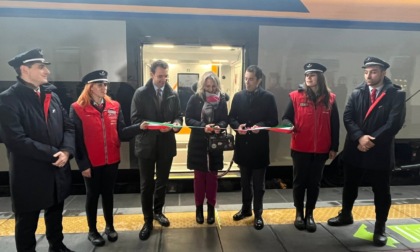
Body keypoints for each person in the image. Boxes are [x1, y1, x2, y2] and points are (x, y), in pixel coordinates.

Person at [0, 48, 75, 252]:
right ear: (25, 69)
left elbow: (68, 126)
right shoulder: (8, 99)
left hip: (56, 169)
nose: (46, 72)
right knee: (27, 222)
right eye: (41, 67)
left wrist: (67, 151)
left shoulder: (52, 95)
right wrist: (54, 154)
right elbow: (16, 140)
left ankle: (56, 246)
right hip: (29, 174)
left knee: (55, 212)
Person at [327, 57, 406, 246]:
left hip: (380, 151)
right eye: (366, 72)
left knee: (381, 190)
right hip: (355, 148)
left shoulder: (396, 94)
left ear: (383, 72)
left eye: (373, 72)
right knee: (350, 184)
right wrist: (360, 137)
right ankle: (346, 214)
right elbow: (348, 117)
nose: (368, 76)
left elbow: (394, 123)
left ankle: (380, 227)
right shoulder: (357, 92)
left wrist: (372, 140)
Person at [69, 70, 141, 247]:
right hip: (91, 162)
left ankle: (110, 226)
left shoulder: (114, 106)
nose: (104, 88)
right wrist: (82, 163)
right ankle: (92, 230)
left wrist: (140, 127)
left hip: (111, 160)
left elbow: (122, 132)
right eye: (100, 85)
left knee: (108, 194)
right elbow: (76, 140)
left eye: (106, 84)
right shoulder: (77, 108)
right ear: (90, 87)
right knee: (92, 195)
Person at [282, 63, 339, 232]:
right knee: (299, 182)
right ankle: (299, 213)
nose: (308, 77)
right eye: (307, 74)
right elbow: (286, 118)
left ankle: (310, 214)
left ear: (320, 78)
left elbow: (334, 124)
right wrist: (288, 125)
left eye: (312, 75)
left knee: (314, 184)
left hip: (321, 149)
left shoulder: (330, 98)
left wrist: (334, 146)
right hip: (300, 147)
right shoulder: (295, 96)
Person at [130, 60, 183, 241]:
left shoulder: (172, 94)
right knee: (146, 185)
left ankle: (158, 212)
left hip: (166, 145)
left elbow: (178, 116)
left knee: (162, 182)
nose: (163, 80)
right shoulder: (140, 93)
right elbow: (135, 119)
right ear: (151, 74)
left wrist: (175, 125)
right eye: (160, 76)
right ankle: (147, 221)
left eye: (166, 76)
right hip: (146, 145)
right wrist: (152, 126)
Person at [229, 65, 278, 230]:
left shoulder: (268, 97)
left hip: (259, 148)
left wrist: (261, 125)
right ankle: (245, 209)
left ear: (259, 80)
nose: (247, 82)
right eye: (245, 78)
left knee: (258, 184)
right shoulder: (238, 96)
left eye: (250, 79)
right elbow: (231, 118)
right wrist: (237, 126)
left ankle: (258, 213)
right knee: (244, 182)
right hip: (243, 146)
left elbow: (273, 120)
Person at [185, 72, 229, 225]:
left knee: (212, 178)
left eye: (213, 86)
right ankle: (198, 209)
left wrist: (220, 126)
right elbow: (188, 119)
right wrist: (203, 127)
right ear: (202, 85)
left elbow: (225, 119)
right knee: (199, 179)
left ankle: (211, 208)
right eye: (207, 86)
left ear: (217, 85)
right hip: (198, 143)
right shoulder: (195, 99)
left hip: (215, 144)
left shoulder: (222, 100)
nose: (210, 89)